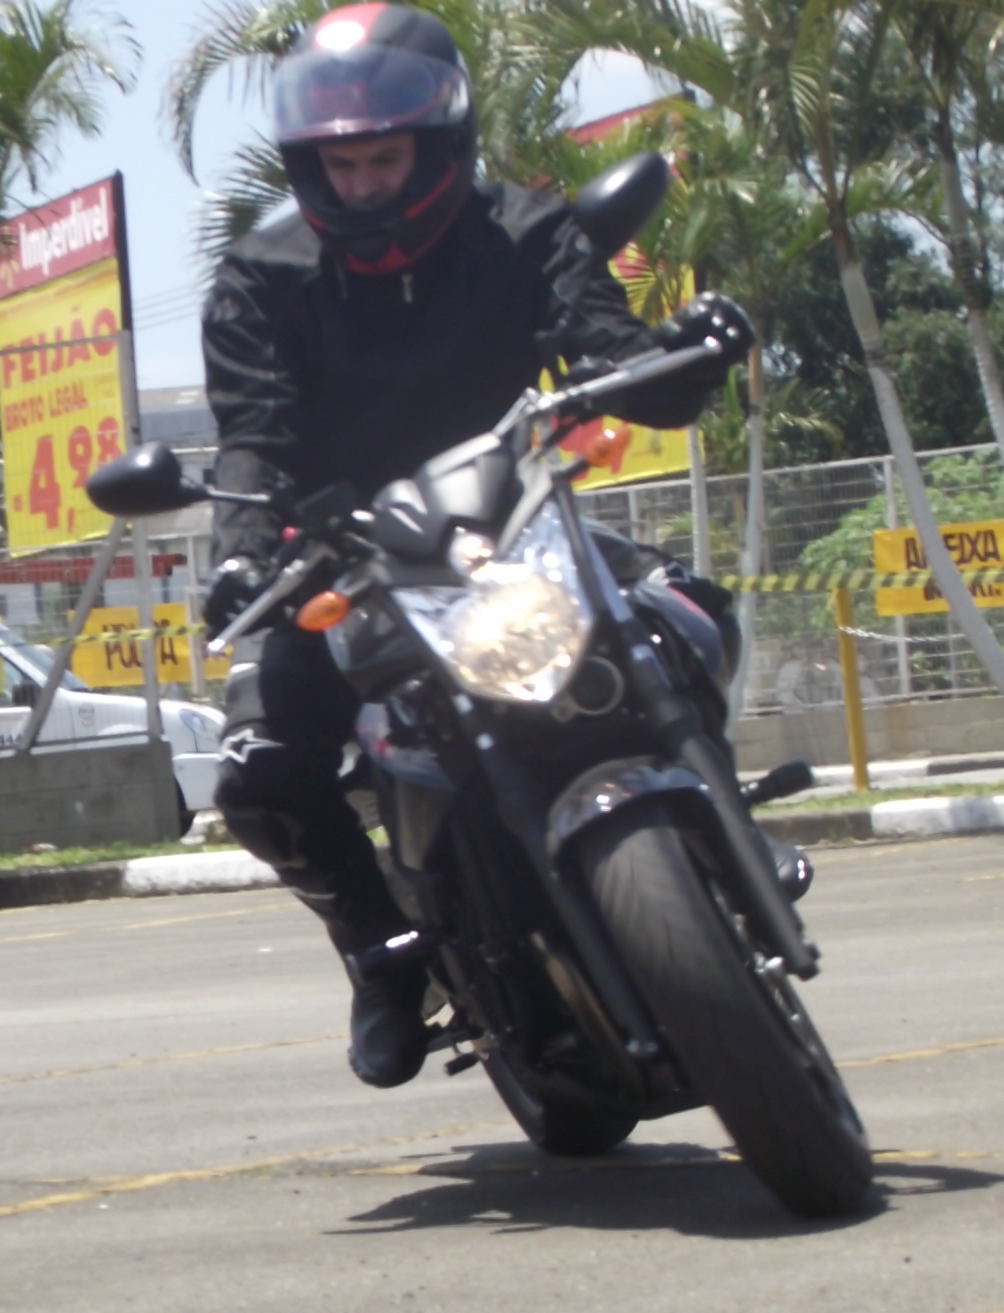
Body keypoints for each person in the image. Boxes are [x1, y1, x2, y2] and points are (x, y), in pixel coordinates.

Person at [201, 3, 752, 1089]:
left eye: (384, 159)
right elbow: (252, 440)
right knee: (261, 771)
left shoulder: (523, 230)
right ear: (310, 163)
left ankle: (721, 838)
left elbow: (612, 354)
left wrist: (689, 357)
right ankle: (381, 956)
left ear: (438, 144)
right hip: (341, 561)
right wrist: (242, 552)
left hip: (510, 525)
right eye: (342, 164)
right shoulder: (264, 276)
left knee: (687, 617)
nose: (363, 184)